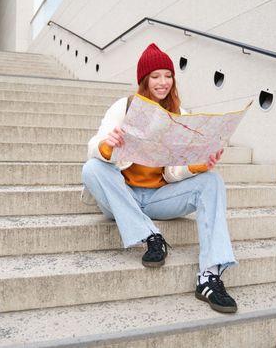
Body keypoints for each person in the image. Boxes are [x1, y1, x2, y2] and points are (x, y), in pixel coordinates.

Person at [81, 43, 238, 314]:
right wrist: (109, 145)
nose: (163, 82)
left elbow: (173, 173)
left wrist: (201, 164)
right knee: (91, 169)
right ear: (144, 80)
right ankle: (149, 234)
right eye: (155, 76)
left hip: (158, 198)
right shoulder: (124, 106)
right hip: (121, 196)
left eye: (168, 75)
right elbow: (95, 145)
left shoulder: (180, 114)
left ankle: (209, 277)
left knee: (212, 181)